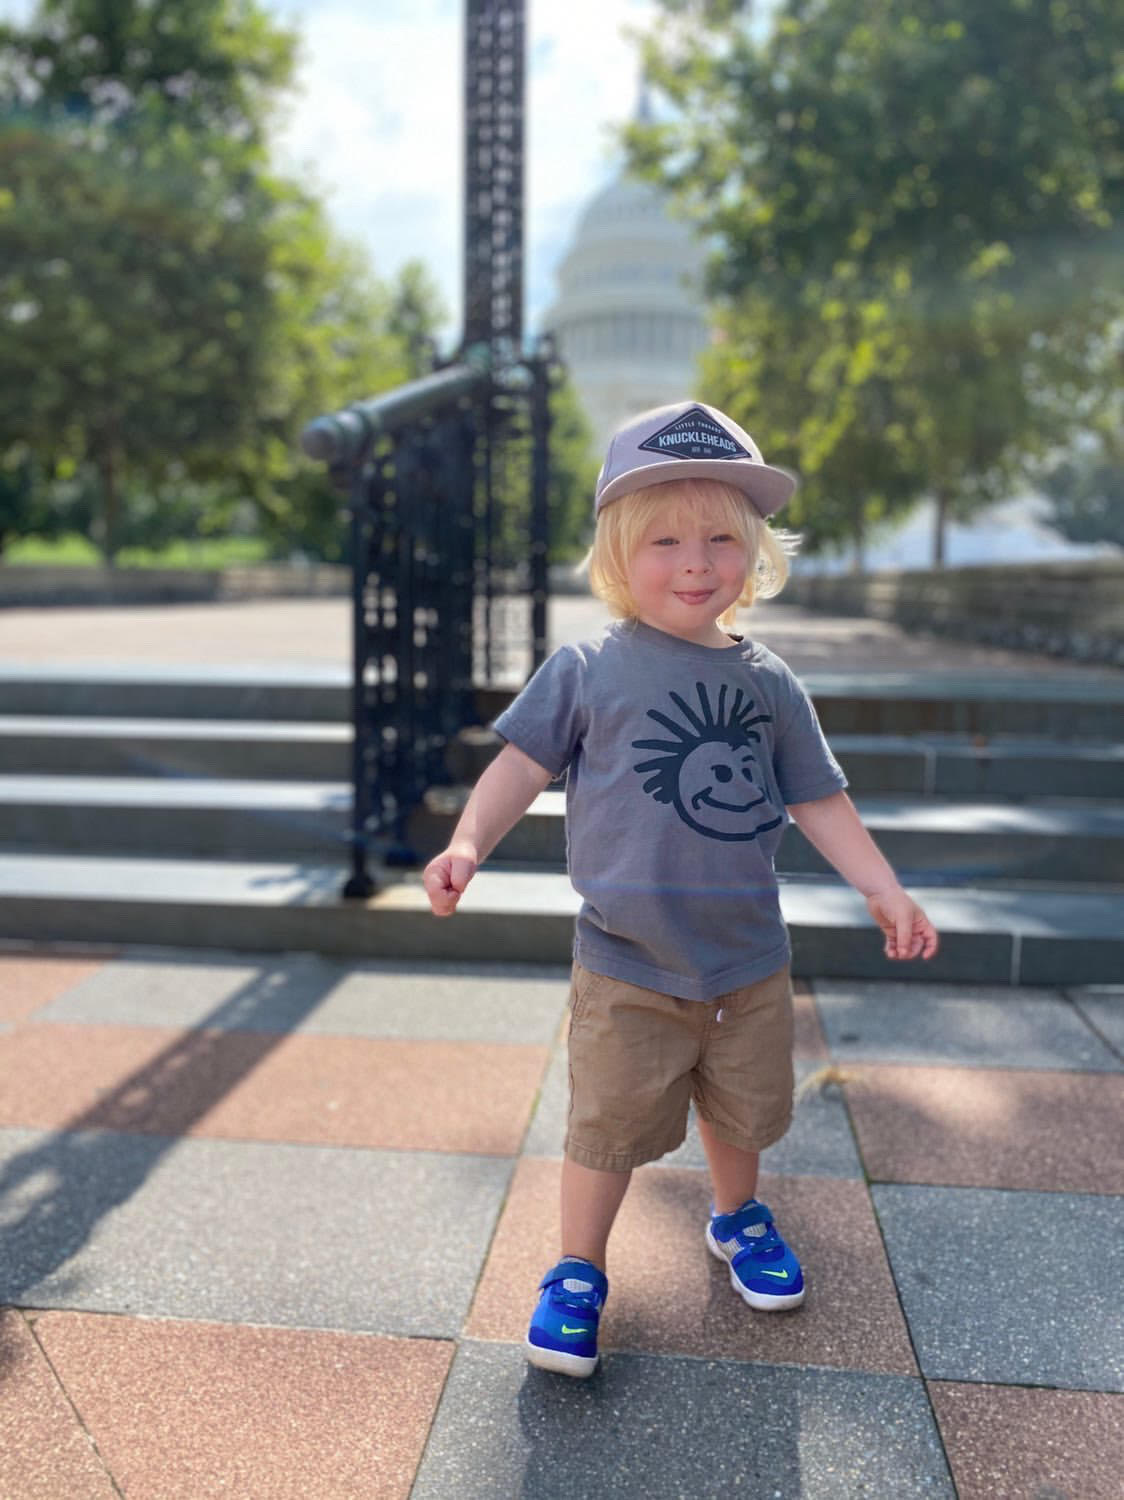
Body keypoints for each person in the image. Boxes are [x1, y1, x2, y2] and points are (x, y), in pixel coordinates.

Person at [423, 400, 939, 1378]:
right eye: (664, 540)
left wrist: (883, 888)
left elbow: (818, 798)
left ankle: (736, 1217)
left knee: (741, 1113)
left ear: (754, 553)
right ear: (619, 555)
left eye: (719, 539)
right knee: (606, 1128)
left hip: (745, 960)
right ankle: (577, 1269)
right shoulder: (588, 668)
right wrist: (467, 842)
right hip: (626, 962)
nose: (695, 563)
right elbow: (519, 766)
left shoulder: (769, 682)